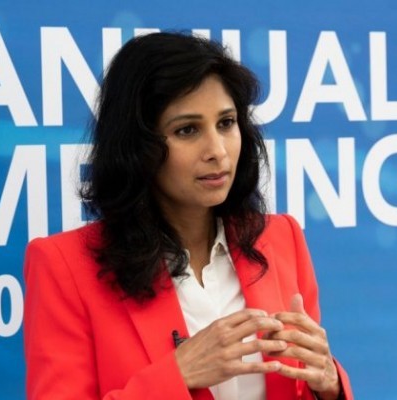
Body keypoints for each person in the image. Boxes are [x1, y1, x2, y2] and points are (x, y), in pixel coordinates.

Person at [23, 31, 353, 400]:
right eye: (187, 130)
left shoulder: (281, 237)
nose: (217, 151)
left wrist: (329, 387)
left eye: (226, 123)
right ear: (137, 146)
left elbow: (301, 383)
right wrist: (177, 375)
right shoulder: (63, 266)